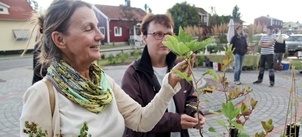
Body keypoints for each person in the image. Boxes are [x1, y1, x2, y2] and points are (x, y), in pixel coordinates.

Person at [19, 1, 196, 137]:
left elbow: (142, 120)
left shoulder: (104, 84)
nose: (101, 35)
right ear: (60, 39)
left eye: (98, 26)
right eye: (89, 29)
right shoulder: (42, 95)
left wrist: (169, 84)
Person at [121, 13, 205, 137]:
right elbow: (136, 117)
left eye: (169, 35)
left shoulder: (179, 68)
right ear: (144, 37)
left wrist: (195, 112)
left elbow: (190, 97)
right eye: (158, 34)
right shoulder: (133, 74)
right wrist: (176, 121)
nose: (166, 40)